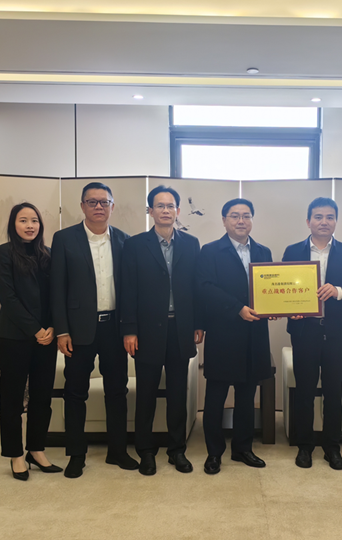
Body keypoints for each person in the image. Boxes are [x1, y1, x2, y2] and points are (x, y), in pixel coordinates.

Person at [51, 182, 137, 479]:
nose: (99, 207)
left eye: (104, 202)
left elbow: (130, 291)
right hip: (78, 330)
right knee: (75, 392)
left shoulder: (125, 241)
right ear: (82, 206)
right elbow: (57, 288)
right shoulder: (64, 239)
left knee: (117, 391)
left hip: (114, 328)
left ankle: (118, 451)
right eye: (92, 202)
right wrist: (62, 331)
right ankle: (77, 455)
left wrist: (130, 328)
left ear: (112, 206)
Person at [120, 185, 204, 476]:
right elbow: (128, 290)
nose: (166, 210)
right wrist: (129, 330)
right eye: (160, 206)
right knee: (145, 393)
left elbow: (196, 287)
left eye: (170, 206)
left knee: (178, 393)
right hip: (146, 331)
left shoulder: (191, 244)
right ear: (150, 211)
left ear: (178, 211)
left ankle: (176, 449)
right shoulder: (134, 245)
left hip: (180, 329)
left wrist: (198, 323)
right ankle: (145, 450)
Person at [282, 197, 342, 470]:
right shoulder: (293, 251)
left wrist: (338, 290)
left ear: (336, 221)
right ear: (308, 221)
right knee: (304, 392)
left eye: (330, 217)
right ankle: (304, 447)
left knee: (333, 393)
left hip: (336, 333)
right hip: (304, 331)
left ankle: (332, 448)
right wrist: (289, 310)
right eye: (318, 217)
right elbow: (283, 288)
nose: (324, 222)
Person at [197, 198, 273, 474]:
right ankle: (214, 453)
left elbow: (270, 287)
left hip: (255, 334)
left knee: (246, 396)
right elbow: (205, 287)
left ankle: (243, 448)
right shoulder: (210, 251)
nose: (241, 221)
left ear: (252, 220)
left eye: (246, 215)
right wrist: (237, 308)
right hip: (223, 333)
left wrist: (273, 309)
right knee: (215, 397)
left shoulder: (263, 251)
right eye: (235, 216)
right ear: (224, 220)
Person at [0, 202, 62, 481]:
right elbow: (8, 298)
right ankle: (15, 455)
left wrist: (53, 327)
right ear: (14, 224)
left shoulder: (49, 254)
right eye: (23, 220)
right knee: (12, 399)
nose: (30, 225)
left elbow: (58, 294)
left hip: (47, 338)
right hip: (15, 337)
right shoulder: (3, 253)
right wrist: (36, 329)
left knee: (42, 398)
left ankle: (36, 449)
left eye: (34, 220)